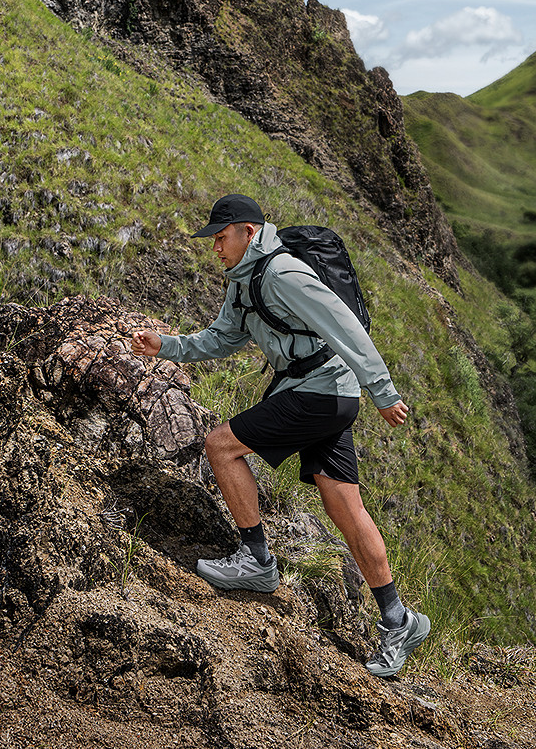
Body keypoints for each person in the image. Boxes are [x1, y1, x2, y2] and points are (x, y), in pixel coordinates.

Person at [132, 193, 430, 677]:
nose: (215, 248)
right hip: (318, 392)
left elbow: (344, 327)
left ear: (248, 232)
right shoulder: (243, 280)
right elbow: (222, 338)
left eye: (221, 237)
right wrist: (165, 345)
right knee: (345, 507)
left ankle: (256, 560)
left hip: (323, 392)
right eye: (213, 240)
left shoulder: (283, 273)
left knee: (220, 446)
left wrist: (383, 391)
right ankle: (399, 620)